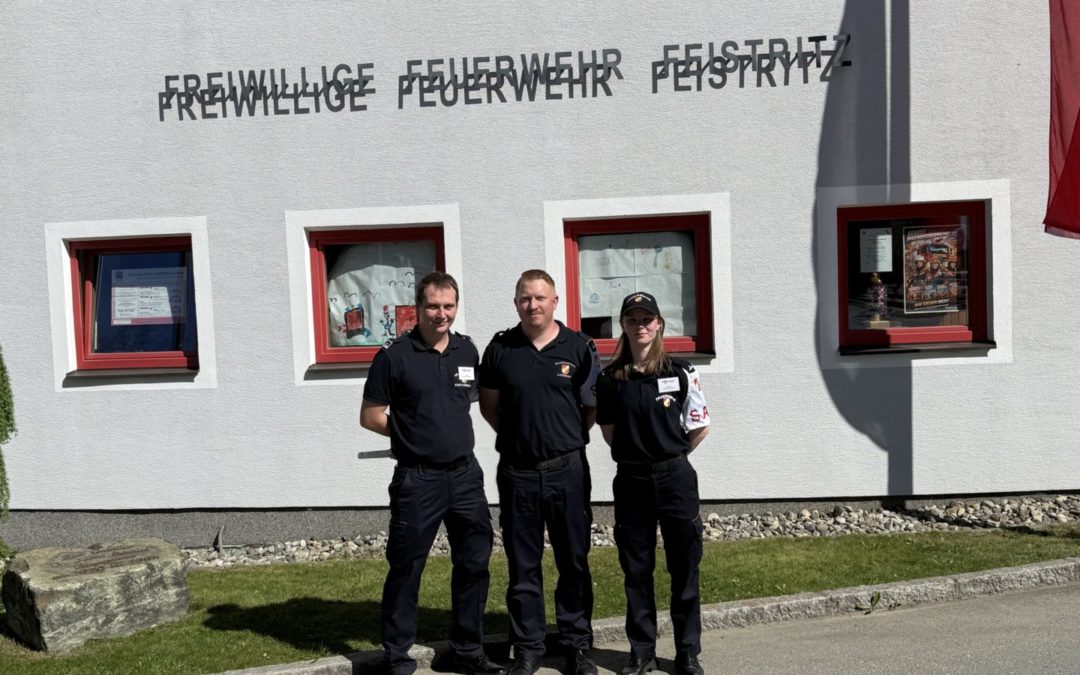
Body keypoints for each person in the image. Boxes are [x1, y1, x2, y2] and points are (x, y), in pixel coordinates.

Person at [360, 272, 503, 675]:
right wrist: (409, 435)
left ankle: (467, 650)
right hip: (418, 479)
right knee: (407, 568)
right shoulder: (394, 356)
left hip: (465, 477)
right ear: (418, 307)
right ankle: (397, 656)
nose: (442, 314)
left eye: (448, 306)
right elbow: (371, 416)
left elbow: (464, 402)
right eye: (433, 306)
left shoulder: (466, 350)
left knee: (474, 563)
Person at [478, 269, 602, 675]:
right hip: (518, 473)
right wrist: (522, 439)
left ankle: (577, 646)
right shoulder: (500, 349)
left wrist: (562, 438)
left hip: (567, 470)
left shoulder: (579, 347)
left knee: (574, 561)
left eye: (540, 298)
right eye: (525, 298)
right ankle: (528, 648)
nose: (532, 305)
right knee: (523, 564)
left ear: (555, 302)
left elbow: (590, 408)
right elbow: (490, 407)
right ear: (517, 303)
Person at [596, 292, 711, 675]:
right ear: (623, 326)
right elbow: (610, 432)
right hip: (631, 481)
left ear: (659, 324)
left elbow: (700, 426)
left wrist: (669, 455)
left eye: (647, 319)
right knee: (636, 569)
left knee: (684, 568)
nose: (640, 326)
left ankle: (687, 652)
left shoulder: (680, 371)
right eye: (632, 320)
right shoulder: (610, 379)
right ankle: (641, 652)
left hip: (675, 479)